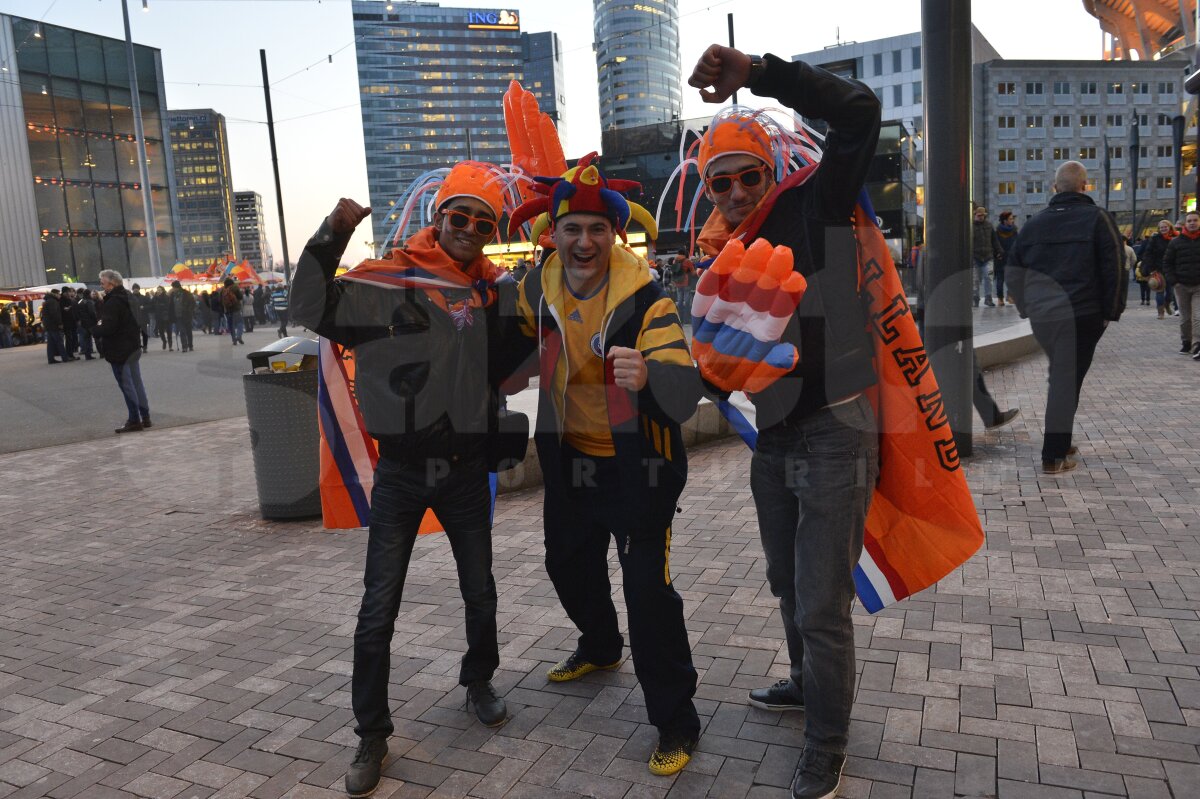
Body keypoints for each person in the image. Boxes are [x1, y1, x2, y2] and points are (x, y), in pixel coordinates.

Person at [686, 44, 881, 799]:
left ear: (771, 172)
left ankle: (826, 744)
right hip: (776, 433)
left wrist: (763, 74)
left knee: (820, 598)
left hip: (835, 422)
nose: (735, 191)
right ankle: (805, 683)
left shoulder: (815, 203)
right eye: (720, 181)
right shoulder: (716, 250)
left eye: (747, 176)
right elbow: (718, 361)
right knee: (782, 578)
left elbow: (859, 111)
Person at [290, 162, 521, 799]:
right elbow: (308, 303)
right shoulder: (387, 283)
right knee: (378, 608)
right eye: (460, 217)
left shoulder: (489, 291)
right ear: (436, 220)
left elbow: (520, 353)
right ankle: (372, 731)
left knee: (480, 589)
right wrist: (334, 231)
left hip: (467, 472)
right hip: (401, 472)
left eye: (484, 222)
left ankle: (478, 680)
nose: (471, 230)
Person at [503, 154, 703, 777]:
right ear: (553, 236)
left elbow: (686, 391)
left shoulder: (647, 298)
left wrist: (649, 376)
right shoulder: (536, 289)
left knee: (647, 594)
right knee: (566, 563)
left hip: (639, 470)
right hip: (571, 462)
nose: (584, 241)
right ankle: (600, 644)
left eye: (596, 229)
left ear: (613, 235)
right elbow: (502, 344)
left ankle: (676, 720)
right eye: (572, 229)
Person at [1008, 161, 1124, 474]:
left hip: (1044, 317)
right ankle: (1054, 454)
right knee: (1065, 381)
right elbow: (1114, 268)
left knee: (1065, 378)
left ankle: (1061, 441)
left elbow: (1013, 271)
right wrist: (1110, 313)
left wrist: (1024, 309)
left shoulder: (1034, 224)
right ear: (1085, 186)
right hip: (1083, 314)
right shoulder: (1098, 219)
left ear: (1055, 187)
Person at [94, 270, 151, 433]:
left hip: (119, 348)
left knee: (127, 385)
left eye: (102, 283)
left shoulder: (113, 302)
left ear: (112, 284)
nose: (101, 285)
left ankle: (134, 420)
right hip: (132, 346)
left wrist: (94, 329)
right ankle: (145, 416)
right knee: (136, 382)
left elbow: (109, 327)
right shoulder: (129, 297)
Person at [1162, 210, 1200, 358]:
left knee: (1198, 316)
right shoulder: (1175, 242)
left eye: (1195, 220)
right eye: (1189, 220)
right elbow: (1167, 263)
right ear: (1185, 223)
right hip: (1181, 285)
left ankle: (1197, 344)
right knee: (1185, 318)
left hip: (1199, 286)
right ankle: (1186, 342)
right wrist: (1174, 281)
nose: (1192, 223)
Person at [972, 206, 1003, 307]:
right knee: (975, 279)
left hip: (988, 256)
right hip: (975, 257)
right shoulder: (970, 226)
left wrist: (999, 251)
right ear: (975, 215)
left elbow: (994, 240)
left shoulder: (989, 225)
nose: (981, 217)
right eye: (979, 215)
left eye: (983, 215)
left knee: (988, 277)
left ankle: (988, 298)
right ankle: (975, 298)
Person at [1143, 219, 1174, 318]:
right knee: (1159, 291)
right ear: (1159, 229)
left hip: (1171, 269)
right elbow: (1148, 254)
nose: (1163, 229)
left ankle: (1167, 303)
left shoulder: (1175, 238)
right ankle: (1160, 312)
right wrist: (1152, 268)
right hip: (1158, 269)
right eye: (1161, 227)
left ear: (1170, 227)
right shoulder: (1155, 239)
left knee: (1170, 292)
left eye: (1165, 227)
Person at [995, 211, 1018, 306]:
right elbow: (994, 243)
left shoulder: (1014, 230)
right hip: (1000, 257)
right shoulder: (997, 231)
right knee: (1000, 279)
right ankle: (1000, 298)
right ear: (1005, 221)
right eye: (1010, 219)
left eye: (1012, 219)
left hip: (1011, 257)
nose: (1012, 221)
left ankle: (1010, 296)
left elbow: (1018, 243)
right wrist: (996, 254)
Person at [40, 289, 69, 364]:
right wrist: (60, 323)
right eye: (59, 294)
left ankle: (51, 359)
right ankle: (65, 358)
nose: (60, 295)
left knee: (50, 343)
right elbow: (55, 313)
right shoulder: (53, 301)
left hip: (48, 324)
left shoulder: (47, 301)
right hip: (53, 324)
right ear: (55, 294)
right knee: (59, 341)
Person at [170, 281, 196, 353]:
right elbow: (171, 305)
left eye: (173, 287)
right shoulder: (172, 295)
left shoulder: (186, 293)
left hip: (187, 315)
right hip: (178, 316)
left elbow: (192, 303)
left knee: (188, 331)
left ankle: (190, 345)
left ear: (177, 287)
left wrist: (189, 311)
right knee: (182, 331)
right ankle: (184, 346)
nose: (173, 289)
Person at [75, 288, 98, 360]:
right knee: (97, 337)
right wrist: (96, 319)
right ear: (88, 294)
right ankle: (102, 353)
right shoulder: (89, 301)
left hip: (83, 323)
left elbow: (77, 311)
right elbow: (92, 312)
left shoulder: (80, 301)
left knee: (86, 339)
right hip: (90, 322)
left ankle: (87, 355)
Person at [220, 279, 244, 344]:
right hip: (236, 308)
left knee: (231, 324)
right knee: (240, 322)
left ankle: (234, 339)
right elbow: (240, 297)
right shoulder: (235, 287)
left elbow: (220, 300)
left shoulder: (223, 290)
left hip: (227, 310)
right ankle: (239, 336)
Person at [153, 286, 174, 351]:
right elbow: (152, 305)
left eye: (160, 290)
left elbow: (168, 306)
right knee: (161, 331)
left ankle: (170, 345)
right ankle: (164, 341)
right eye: (158, 290)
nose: (158, 291)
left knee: (169, 331)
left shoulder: (166, 297)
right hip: (159, 317)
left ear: (163, 290)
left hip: (166, 317)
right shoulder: (155, 298)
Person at [129, 284, 150, 352]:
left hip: (143, 318)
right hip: (134, 319)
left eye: (137, 288)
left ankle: (145, 347)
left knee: (144, 334)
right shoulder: (129, 298)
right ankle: (138, 347)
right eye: (134, 288)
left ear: (139, 289)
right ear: (132, 289)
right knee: (136, 335)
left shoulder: (144, 297)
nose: (135, 289)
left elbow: (150, 306)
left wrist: (144, 307)